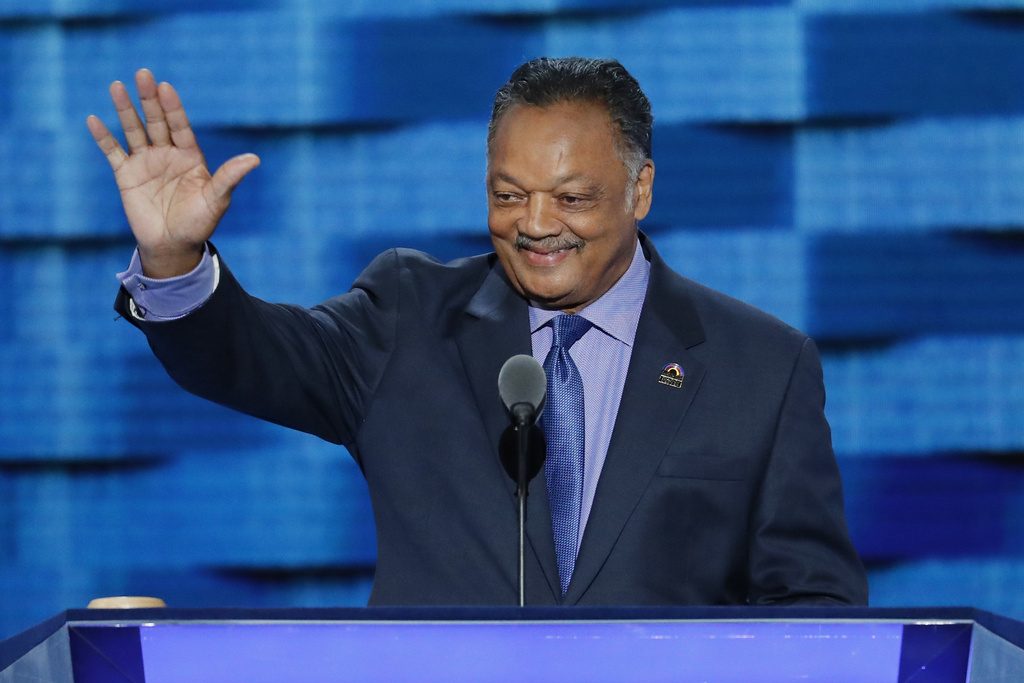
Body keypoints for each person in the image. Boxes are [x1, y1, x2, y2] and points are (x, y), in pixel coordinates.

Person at [88, 57, 868, 606]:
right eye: (508, 194)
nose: (536, 224)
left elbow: (815, 606)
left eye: (571, 198)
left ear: (640, 190)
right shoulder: (407, 317)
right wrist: (174, 258)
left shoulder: (761, 366)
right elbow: (247, 356)